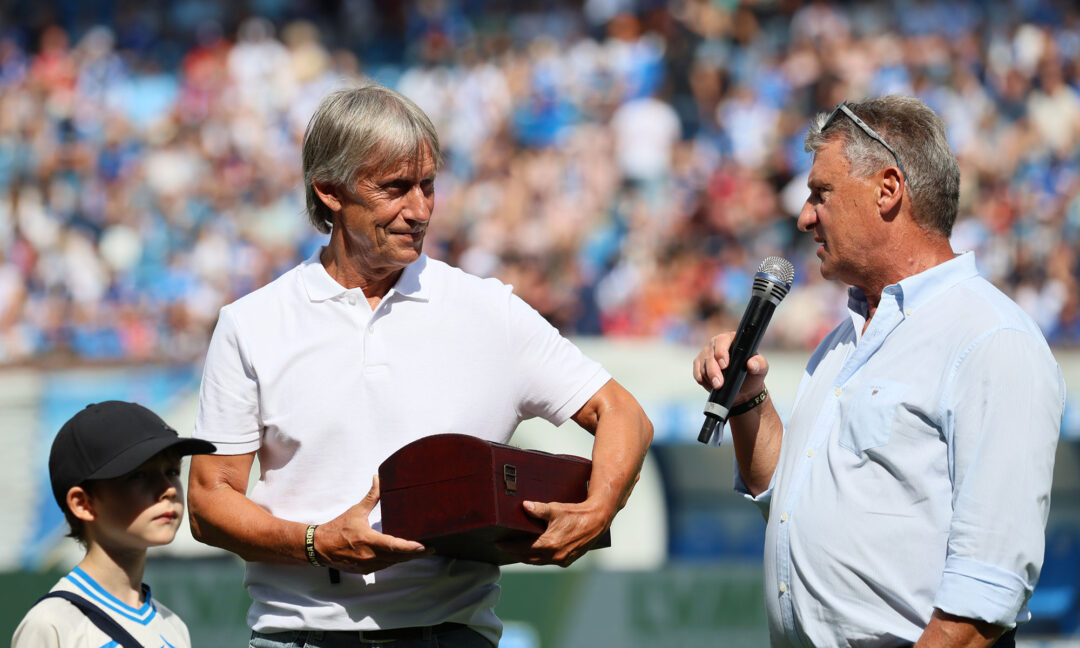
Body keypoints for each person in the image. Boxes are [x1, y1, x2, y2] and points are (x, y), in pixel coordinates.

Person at [187, 84, 653, 648]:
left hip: (452, 635)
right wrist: (316, 543)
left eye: (427, 185)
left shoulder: (489, 310)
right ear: (329, 191)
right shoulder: (252, 323)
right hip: (300, 636)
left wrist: (599, 508)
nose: (420, 210)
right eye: (395, 188)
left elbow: (622, 413)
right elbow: (209, 501)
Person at [693, 96, 1065, 647]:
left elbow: (984, 595)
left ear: (887, 189)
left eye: (821, 193)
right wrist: (748, 399)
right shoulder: (842, 341)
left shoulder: (990, 338)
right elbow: (786, 502)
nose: (804, 217)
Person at [12, 401, 216, 648]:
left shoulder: (174, 627)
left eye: (172, 472)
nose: (168, 490)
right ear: (83, 503)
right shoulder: (51, 624)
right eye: (139, 475)